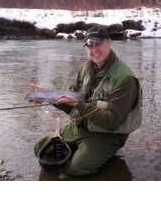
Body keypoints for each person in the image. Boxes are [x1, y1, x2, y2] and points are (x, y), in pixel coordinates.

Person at [34, 25, 142, 177]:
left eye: (98, 44)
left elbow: (112, 122)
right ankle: (84, 152)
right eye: (90, 45)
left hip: (108, 134)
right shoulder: (85, 68)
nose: (94, 50)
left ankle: (111, 167)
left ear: (109, 42)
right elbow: (70, 106)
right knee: (40, 148)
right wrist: (48, 97)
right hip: (82, 125)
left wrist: (78, 104)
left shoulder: (125, 79)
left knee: (75, 170)